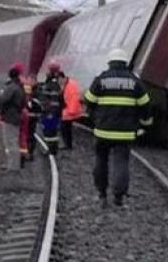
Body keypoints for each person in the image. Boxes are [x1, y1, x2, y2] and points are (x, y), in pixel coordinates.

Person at [84, 49, 153, 208]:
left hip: (102, 131)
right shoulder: (135, 82)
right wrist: (145, 124)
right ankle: (118, 197)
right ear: (126, 63)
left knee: (101, 160)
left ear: (109, 62)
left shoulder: (101, 79)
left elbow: (88, 101)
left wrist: (96, 118)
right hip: (125, 132)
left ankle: (101, 194)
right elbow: (146, 105)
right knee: (121, 162)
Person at [0, 63, 28, 166]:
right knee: (13, 141)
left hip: (10, 118)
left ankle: (13, 165)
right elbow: (24, 103)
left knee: (10, 142)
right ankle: (14, 164)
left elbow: (3, 99)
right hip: (16, 117)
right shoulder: (20, 87)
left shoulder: (12, 87)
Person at [35, 67, 65, 156]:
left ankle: (52, 150)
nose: (46, 73)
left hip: (50, 113)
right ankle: (51, 149)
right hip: (47, 111)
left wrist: (51, 113)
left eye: (48, 72)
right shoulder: (49, 84)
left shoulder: (53, 85)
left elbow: (54, 101)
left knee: (50, 132)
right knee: (48, 132)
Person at [54, 63, 84, 151]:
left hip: (69, 111)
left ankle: (67, 145)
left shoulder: (70, 86)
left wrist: (70, 111)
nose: (58, 82)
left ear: (63, 78)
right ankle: (68, 144)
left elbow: (73, 100)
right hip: (67, 110)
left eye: (59, 79)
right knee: (66, 128)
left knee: (65, 128)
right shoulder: (67, 84)